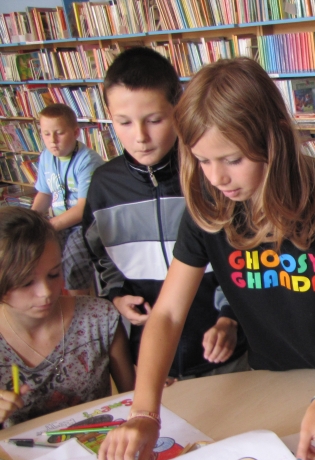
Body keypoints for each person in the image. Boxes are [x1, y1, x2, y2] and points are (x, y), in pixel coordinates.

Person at [98, 57, 315, 460]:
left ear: (274, 139)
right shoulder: (209, 207)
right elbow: (168, 314)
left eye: (232, 159)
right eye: (202, 160)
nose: (217, 177)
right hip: (270, 376)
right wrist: (144, 412)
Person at [82, 47, 247, 385]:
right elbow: (102, 257)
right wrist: (117, 296)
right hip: (152, 360)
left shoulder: (210, 175)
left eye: (155, 120)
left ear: (178, 108)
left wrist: (230, 316)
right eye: (124, 123)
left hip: (225, 351)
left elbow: (243, 253)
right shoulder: (103, 185)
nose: (140, 137)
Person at [0, 207, 135, 427]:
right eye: (26, 283)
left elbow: (134, 399)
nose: (45, 292)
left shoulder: (99, 318)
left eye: (54, 274)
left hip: (99, 443)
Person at [31, 103, 104, 296]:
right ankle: (50, 301)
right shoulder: (46, 157)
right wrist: (30, 220)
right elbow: (44, 193)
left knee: (74, 261)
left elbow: (82, 210)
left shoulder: (88, 160)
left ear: (75, 132)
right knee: (33, 252)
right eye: (46, 134)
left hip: (86, 224)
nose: (52, 141)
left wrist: (47, 227)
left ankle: (78, 306)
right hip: (59, 222)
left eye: (59, 133)